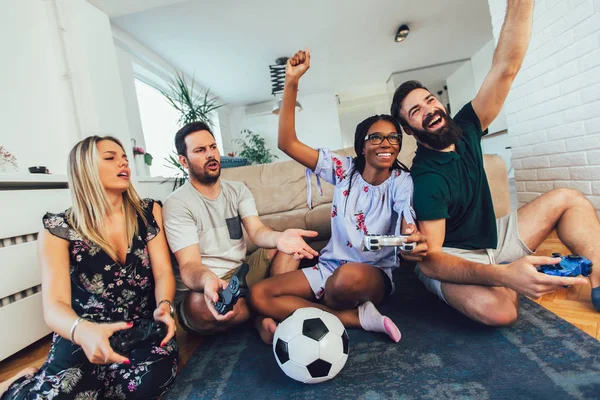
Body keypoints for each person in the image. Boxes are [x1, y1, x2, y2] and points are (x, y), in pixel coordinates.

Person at [390, 0, 600, 325]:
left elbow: (505, 68)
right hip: (455, 256)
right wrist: (504, 275)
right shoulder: (427, 178)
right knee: (499, 311)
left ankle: (598, 278)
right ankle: (520, 273)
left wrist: (520, 5)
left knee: (569, 199)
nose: (428, 109)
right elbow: (432, 261)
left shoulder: (467, 126)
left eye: (429, 100)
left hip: (496, 237)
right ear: (409, 129)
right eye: (415, 111)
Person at [250, 50, 428, 344]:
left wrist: (410, 237)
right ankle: (352, 318)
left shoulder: (401, 182)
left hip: (371, 274)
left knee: (344, 282)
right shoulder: (343, 170)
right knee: (260, 294)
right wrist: (291, 81)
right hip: (328, 267)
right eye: (376, 138)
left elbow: (409, 224)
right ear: (361, 146)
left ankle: (289, 317)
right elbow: (287, 142)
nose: (386, 143)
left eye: (393, 137)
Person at [0, 136, 178, 399]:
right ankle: (17, 382)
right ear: (85, 170)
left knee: (144, 386)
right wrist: (82, 331)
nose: (123, 162)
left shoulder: (149, 212)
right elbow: (54, 305)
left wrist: (165, 305)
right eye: (110, 157)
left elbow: (163, 272)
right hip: (82, 329)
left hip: (140, 326)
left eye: (124, 157)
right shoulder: (58, 230)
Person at [162, 121, 319, 344]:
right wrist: (208, 281)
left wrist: (280, 238)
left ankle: (260, 310)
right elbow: (189, 266)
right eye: (200, 150)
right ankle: (265, 310)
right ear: (183, 161)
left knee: (289, 245)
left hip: (241, 272)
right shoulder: (177, 204)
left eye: (213, 147)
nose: (210, 154)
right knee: (198, 309)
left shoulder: (237, 190)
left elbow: (257, 232)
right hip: (206, 285)